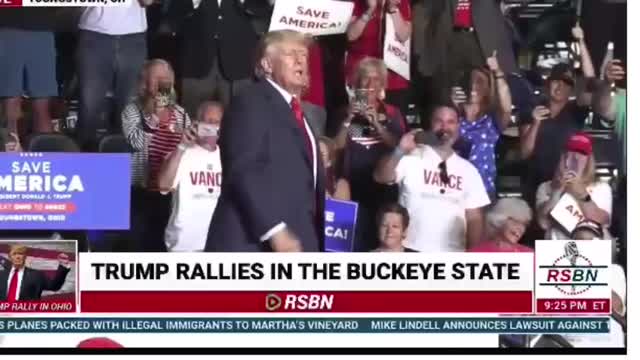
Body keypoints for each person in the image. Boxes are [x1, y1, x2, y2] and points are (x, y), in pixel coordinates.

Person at [206, 30, 325, 252]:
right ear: (267, 65)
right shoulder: (252, 101)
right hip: (254, 244)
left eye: (304, 55)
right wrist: (275, 230)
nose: (301, 60)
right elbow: (244, 168)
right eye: (291, 54)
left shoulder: (299, 114)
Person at [374, 104, 490, 252]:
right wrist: (400, 150)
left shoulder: (469, 170)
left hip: (452, 255)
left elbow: (474, 219)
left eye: (450, 122)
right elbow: (381, 176)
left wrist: (473, 256)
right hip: (410, 249)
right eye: (439, 121)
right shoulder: (411, 157)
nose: (445, 127)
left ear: (458, 127)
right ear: (430, 125)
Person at [519, 22, 596, 205]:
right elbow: (524, 153)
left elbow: (591, 81)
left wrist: (581, 41)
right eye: (556, 81)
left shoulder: (576, 112)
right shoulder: (532, 110)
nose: (560, 86)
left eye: (566, 83)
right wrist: (536, 123)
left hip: (568, 188)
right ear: (548, 84)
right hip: (536, 189)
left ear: (572, 90)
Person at [334, 57, 405, 251]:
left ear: (383, 85)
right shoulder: (343, 112)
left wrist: (377, 125)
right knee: (353, 245)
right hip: (352, 188)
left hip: (383, 189)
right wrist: (348, 119)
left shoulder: (392, 113)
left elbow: (399, 146)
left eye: (376, 79)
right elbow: (336, 147)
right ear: (357, 83)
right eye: (365, 78)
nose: (370, 84)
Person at [122, 59, 191, 251]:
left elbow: (187, 149)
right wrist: (155, 114)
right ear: (145, 84)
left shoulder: (181, 114)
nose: (163, 83)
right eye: (158, 79)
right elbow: (137, 142)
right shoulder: (132, 110)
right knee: (142, 245)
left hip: (171, 192)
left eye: (167, 79)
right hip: (141, 191)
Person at [169, 0, 271, 115]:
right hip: (196, 61)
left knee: (239, 118)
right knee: (192, 118)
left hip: (239, 63)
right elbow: (172, 13)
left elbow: (263, 13)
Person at [76, 1, 153, 149]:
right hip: (94, 34)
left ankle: (125, 167)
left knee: (129, 109)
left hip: (133, 37)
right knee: (89, 107)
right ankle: (84, 166)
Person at [417, 0, 518, 104]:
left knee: (484, 85)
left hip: (480, 37)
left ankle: (484, 117)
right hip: (449, 35)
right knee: (447, 89)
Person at [157, 101, 223, 252]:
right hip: (183, 246)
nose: (212, 126)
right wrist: (181, 147)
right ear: (196, 124)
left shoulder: (229, 157)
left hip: (217, 244)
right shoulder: (181, 154)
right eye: (208, 121)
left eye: (217, 122)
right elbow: (163, 185)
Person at [451, 52, 512, 199]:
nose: (473, 86)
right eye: (470, 81)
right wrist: (453, 106)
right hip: (454, 188)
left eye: (479, 82)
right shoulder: (455, 116)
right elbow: (445, 141)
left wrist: (497, 72)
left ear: (487, 89)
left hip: (483, 189)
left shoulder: (490, 121)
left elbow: (506, 107)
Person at [536, 133, 612, 240]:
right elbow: (543, 223)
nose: (575, 157)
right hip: (557, 246)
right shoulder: (545, 187)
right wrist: (556, 192)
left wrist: (581, 193)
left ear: (588, 160)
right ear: (563, 156)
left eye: (581, 153)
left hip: (591, 248)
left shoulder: (601, 187)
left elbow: (601, 221)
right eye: (571, 151)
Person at [346, 0, 412, 112]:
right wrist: (369, 10)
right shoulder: (357, 3)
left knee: (391, 123)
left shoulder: (401, 2)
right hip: (363, 77)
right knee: (361, 121)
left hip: (393, 77)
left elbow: (404, 36)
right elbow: (351, 36)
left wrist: (393, 9)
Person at [0, 28, 57, 134]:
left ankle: (41, 147)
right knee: (15, 104)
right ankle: (14, 147)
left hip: (34, 31)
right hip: (32, 30)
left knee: (13, 104)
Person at [0, 245, 70, 301]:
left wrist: (63, 267)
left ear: (25, 256)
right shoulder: (1, 275)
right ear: (9, 257)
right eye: (14, 254)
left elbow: (54, 286)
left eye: (20, 254)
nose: (17, 257)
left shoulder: (36, 275)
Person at [318, 136, 351, 201]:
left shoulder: (341, 185)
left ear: (329, 162)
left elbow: (342, 210)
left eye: (321, 154)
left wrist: (329, 199)